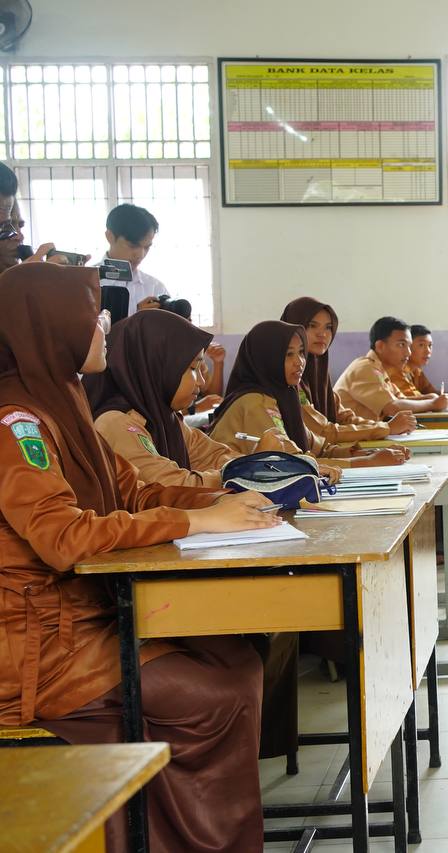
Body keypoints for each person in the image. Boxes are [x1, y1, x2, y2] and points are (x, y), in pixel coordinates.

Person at [0, 262, 280, 852]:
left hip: (88, 616)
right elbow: (61, 535)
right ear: (52, 327)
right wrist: (197, 521)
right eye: (94, 316)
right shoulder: (16, 422)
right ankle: (190, 838)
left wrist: (225, 501)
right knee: (215, 696)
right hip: (41, 644)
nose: (105, 326)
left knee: (238, 659)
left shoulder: (63, 402)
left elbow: (136, 493)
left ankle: (184, 833)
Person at [83, 310, 283, 488]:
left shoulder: (166, 419)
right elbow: (171, 487)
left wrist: (252, 464)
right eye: (193, 368)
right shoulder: (117, 423)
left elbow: (212, 455)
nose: (201, 381)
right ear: (158, 367)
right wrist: (251, 469)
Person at [208, 321, 396, 471]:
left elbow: (317, 447)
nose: (299, 362)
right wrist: (367, 462)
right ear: (266, 358)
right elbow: (291, 464)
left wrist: (362, 453)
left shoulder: (285, 394)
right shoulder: (255, 402)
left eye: (300, 353)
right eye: (288, 354)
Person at [280, 297, 416, 444]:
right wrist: (385, 428)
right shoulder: (290, 378)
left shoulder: (320, 376)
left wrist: (385, 427)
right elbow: (323, 432)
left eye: (328, 327)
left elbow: (344, 418)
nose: (322, 334)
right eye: (312, 326)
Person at [334, 316, 448, 421]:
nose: (408, 353)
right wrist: (433, 403)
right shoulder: (365, 368)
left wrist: (429, 398)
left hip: (372, 434)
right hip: (352, 437)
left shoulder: (381, 370)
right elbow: (392, 408)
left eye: (409, 346)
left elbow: (401, 400)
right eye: (401, 345)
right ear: (380, 346)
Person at [103, 203, 168, 314]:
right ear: (110, 237)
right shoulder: (88, 283)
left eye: (147, 247)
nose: (140, 255)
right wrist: (137, 317)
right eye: (133, 246)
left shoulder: (156, 288)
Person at [390, 324, 448, 405]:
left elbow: (432, 393)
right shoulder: (397, 372)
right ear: (408, 346)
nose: (428, 351)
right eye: (421, 345)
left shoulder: (416, 371)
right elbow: (416, 402)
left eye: (430, 345)